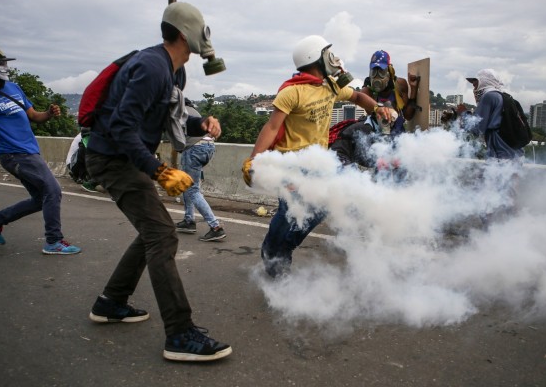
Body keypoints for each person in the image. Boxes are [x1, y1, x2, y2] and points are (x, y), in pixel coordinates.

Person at [85, 2, 232, 362]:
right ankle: (180, 334)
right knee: (163, 234)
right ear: (185, 34)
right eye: (201, 29)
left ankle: (111, 302)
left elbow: (171, 118)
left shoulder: (174, 72)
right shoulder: (152, 67)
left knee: (154, 230)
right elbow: (121, 126)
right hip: (113, 158)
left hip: (126, 157)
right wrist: (158, 170)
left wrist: (202, 125)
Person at [241, 35, 392, 278]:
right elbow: (271, 127)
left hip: (319, 163)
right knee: (288, 213)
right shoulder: (292, 92)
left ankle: (284, 247)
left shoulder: (331, 87)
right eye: (327, 53)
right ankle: (273, 253)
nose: (333, 58)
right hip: (291, 166)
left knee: (320, 208)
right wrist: (253, 159)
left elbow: (357, 97)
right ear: (315, 58)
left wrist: (376, 108)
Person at [0, 47, 81, 255]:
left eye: (6, 63)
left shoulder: (13, 88)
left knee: (40, 198)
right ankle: (54, 240)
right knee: (53, 191)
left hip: (30, 151)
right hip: (13, 154)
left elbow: (34, 115)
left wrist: (49, 113)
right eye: (0, 63)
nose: (5, 67)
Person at [175, 100, 226, 241]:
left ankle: (215, 227)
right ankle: (188, 221)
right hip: (208, 147)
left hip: (194, 149)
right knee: (188, 185)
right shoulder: (194, 111)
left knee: (192, 190)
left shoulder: (178, 110)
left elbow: (177, 136)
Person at [466, 69, 524, 160]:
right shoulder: (503, 96)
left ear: (483, 82)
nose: (474, 89)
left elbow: (477, 128)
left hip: (500, 153)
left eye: (475, 85)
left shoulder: (489, 96)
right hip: (514, 153)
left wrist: (462, 115)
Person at [361, 50, 420, 136]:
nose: (377, 76)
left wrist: (413, 88)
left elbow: (408, 116)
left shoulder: (400, 85)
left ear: (390, 71)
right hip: (378, 140)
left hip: (399, 138)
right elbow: (378, 121)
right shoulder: (367, 92)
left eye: (381, 72)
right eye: (374, 71)